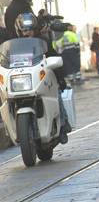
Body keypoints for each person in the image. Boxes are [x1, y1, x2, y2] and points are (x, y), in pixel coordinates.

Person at [14, 13, 72, 143]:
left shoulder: (43, 41)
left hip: (40, 77)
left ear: (34, 29)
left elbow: (53, 56)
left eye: (28, 30)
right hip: (23, 80)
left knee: (55, 90)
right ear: (18, 31)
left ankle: (62, 123)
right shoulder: (15, 45)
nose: (26, 33)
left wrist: (60, 78)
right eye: (23, 30)